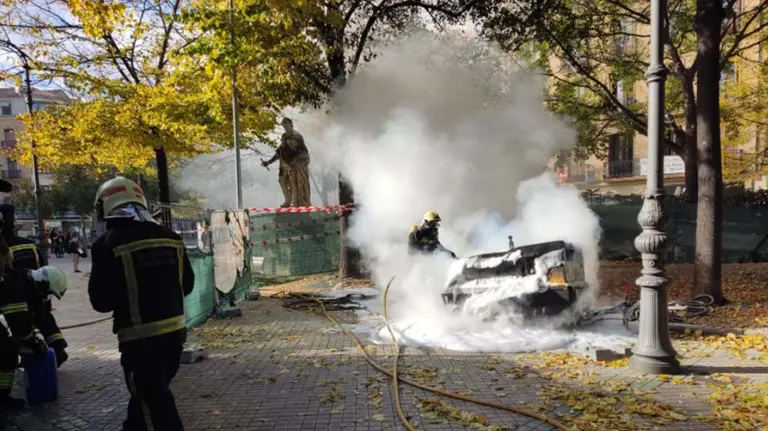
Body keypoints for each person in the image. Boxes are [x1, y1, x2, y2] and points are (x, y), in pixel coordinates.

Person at [88, 176, 194, 431]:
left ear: (106, 207)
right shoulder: (172, 238)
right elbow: (187, 285)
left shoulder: (107, 244)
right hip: (175, 338)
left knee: (157, 409)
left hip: (139, 345)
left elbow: (101, 302)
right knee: (147, 399)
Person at [0, 204, 68, 366]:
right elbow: (42, 265)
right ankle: (57, 349)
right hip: (27, 290)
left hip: (19, 290)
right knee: (41, 317)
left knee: (17, 328)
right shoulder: (29, 244)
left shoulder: (4, 246)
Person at [0, 205, 48, 409]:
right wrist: (33, 343)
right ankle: (1, 399)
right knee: (7, 350)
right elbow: (18, 323)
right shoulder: (12, 282)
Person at [262, 118, 311, 207]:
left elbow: (301, 151)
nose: (285, 127)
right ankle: (287, 201)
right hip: (284, 164)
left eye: (287, 124)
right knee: (282, 180)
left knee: (294, 182)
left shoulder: (297, 136)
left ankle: (295, 202)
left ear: (291, 124)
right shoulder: (284, 136)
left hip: (295, 164)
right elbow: (279, 151)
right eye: (283, 125)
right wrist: (268, 162)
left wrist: (295, 161)